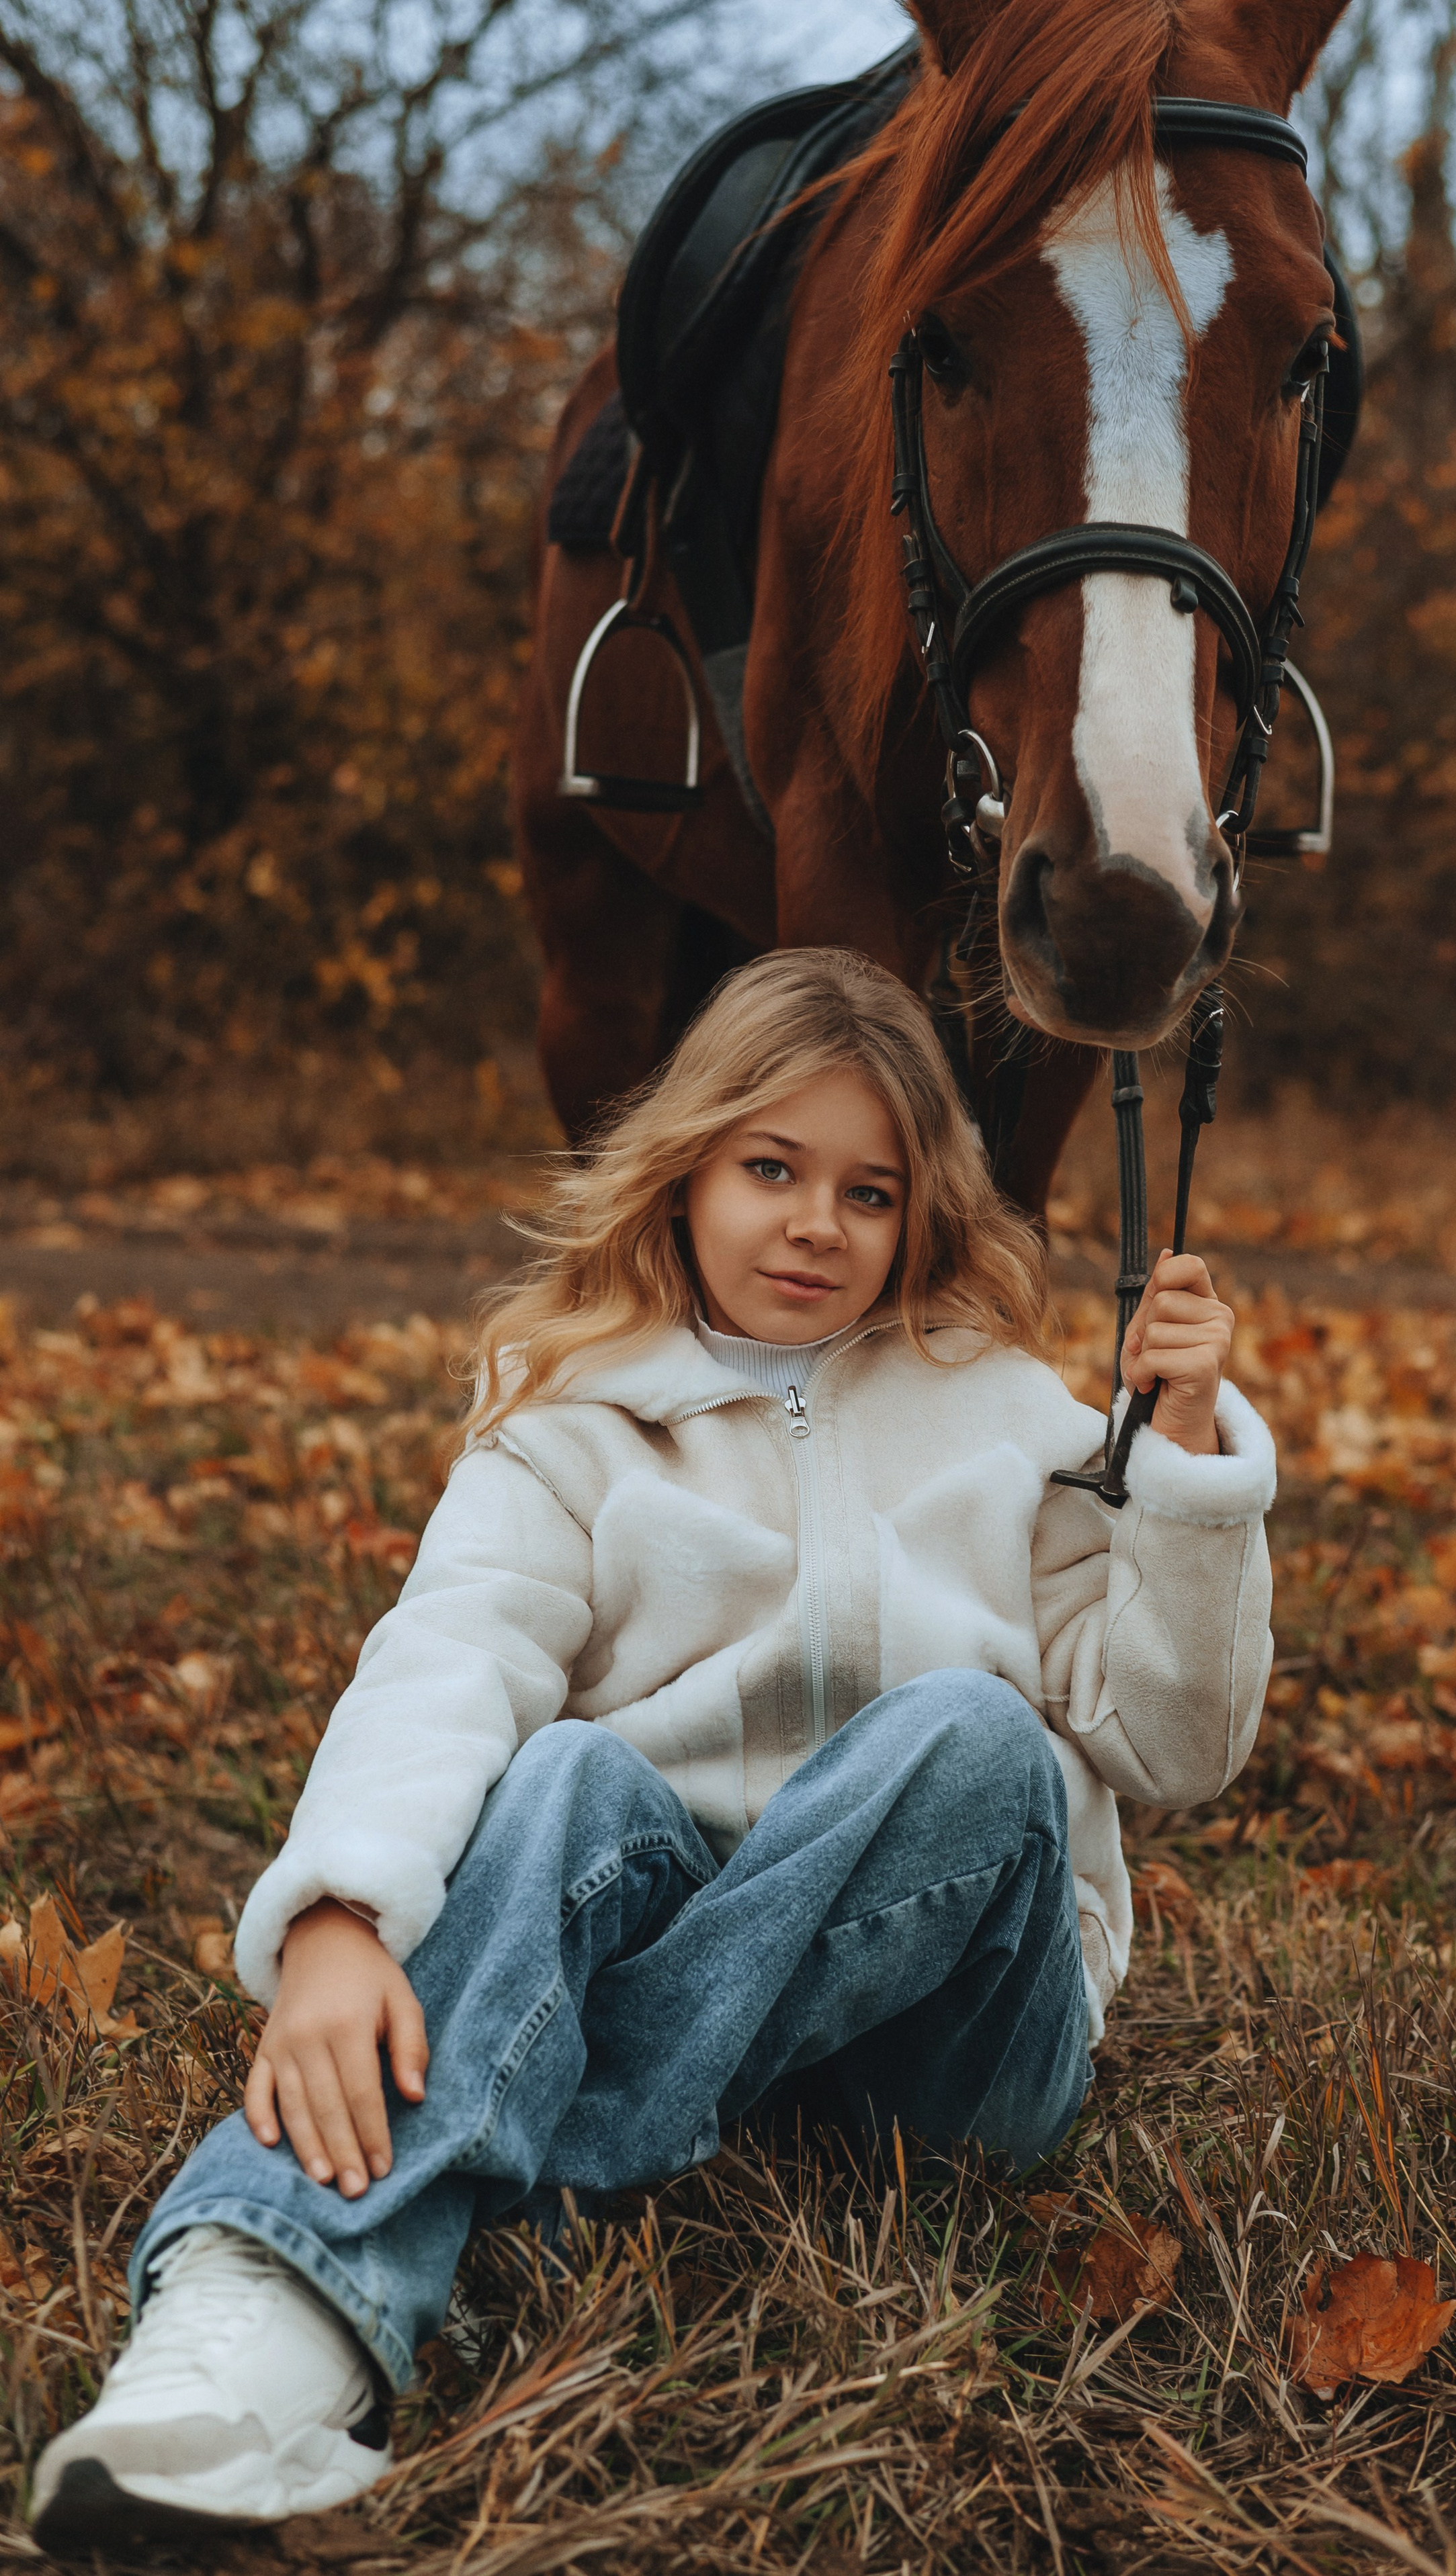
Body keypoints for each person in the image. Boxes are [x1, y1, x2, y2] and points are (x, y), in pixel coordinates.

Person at [30, 949, 1275, 2550]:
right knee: (566, 1775)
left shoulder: (1008, 1417)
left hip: (953, 2052)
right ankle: (244, 2337)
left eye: (868, 1190)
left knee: (977, 1739)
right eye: (771, 1168)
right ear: (687, 1167)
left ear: (920, 1215)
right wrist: (343, 1917)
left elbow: (1166, 1746)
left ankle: (493, 2194)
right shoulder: (572, 1412)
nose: (815, 1222)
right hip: (677, 1944)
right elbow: (451, 1659)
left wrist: (1180, 1465)